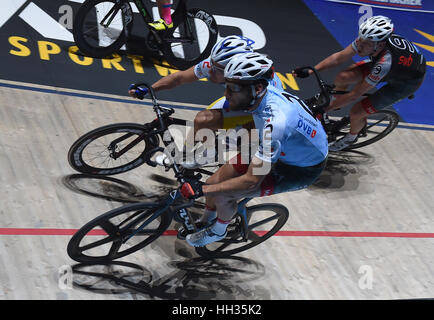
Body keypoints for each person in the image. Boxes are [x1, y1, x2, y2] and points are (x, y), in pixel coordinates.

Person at [179, 52, 328, 247]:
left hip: (300, 169)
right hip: (283, 146)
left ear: (257, 88)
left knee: (222, 194)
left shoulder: (276, 123)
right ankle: (205, 220)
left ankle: (218, 231)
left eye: (233, 88)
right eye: (226, 86)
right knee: (213, 181)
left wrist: (203, 191)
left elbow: (251, 180)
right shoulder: (260, 93)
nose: (227, 94)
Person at [129, 35, 283, 167]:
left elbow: (257, 122)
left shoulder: (258, 87)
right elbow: (179, 78)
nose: (210, 71)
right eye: (212, 64)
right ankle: (183, 154)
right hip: (239, 98)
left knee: (221, 135)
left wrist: (223, 142)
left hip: (258, 110)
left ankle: (205, 157)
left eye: (217, 69)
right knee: (202, 121)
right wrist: (151, 89)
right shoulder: (216, 64)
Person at [293, 15, 426, 151]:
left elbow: (354, 95)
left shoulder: (384, 62)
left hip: (405, 83)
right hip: (395, 68)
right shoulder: (370, 41)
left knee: (357, 111)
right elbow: (339, 57)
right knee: (343, 77)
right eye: (361, 39)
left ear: (379, 44)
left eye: (366, 43)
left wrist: (324, 109)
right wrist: (312, 70)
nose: (360, 45)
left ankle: (351, 137)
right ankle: (335, 102)